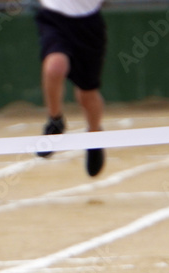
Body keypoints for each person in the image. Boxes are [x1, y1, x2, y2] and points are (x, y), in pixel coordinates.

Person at [33, 0, 106, 178]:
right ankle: (55, 119)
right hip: (54, 17)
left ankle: (94, 136)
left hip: (89, 23)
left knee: (87, 93)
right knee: (55, 67)